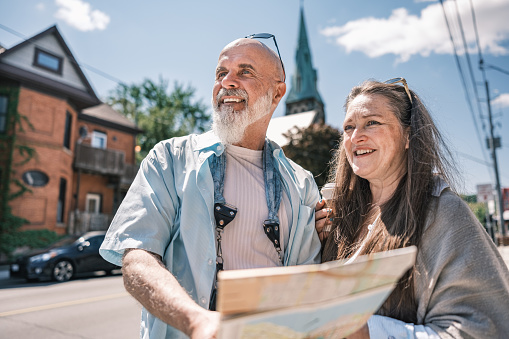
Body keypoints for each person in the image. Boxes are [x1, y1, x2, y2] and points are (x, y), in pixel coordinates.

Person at [100, 36, 321, 339]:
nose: (227, 82)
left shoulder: (302, 183)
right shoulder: (169, 159)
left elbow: (308, 279)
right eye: (221, 73)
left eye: (245, 72)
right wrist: (196, 322)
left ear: (277, 93)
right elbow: (138, 258)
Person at [315, 78, 509, 338]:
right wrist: (317, 247)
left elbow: (482, 329)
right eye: (349, 127)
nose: (355, 137)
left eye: (372, 122)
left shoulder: (442, 212)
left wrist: (369, 331)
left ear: (408, 136)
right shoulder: (343, 217)